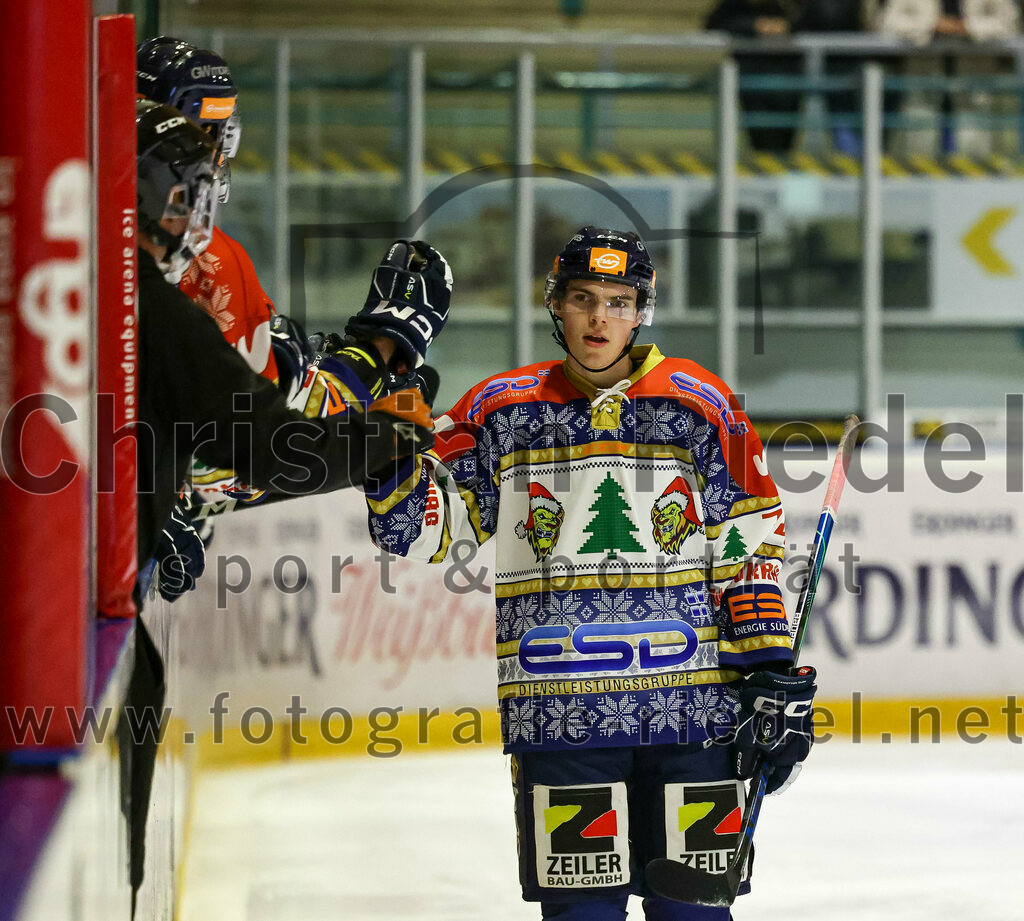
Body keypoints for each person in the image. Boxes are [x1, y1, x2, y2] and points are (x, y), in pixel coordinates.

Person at [364, 226, 816, 918]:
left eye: (618, 300)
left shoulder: (701, 405)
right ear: (557, 306)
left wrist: (769, 671)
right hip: (563, 719)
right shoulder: (498, 411)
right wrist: (389, 458)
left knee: (695, 912)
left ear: (642, 311)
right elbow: (426, 530)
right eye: (583, 298)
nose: (600, 317)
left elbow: (749, 541)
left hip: (694, 717)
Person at [123, 97, 449, 905]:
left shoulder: (92, 279)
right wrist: (383, 425)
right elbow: (267, 439)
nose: (200, 205)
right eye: (190, 186)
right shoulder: (155, 301)